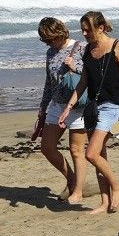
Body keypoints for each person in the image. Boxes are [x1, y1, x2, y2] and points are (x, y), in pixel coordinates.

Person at [58, 11, 119, 214]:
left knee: (90, 153)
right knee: (100, 154)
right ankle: (104, 202)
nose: (84, 33)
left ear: (100, 28)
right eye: (82, 29)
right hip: (93, 107)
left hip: (112, 106)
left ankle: (118, 187)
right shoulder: (87, 51)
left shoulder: (118, 46)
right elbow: (84, 82)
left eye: (88, 29)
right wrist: (68, 108)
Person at [33, 17, 87, 204]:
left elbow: (94, 75)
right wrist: (42, 109)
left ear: (60, 33)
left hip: (78, 105)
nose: (49, 43)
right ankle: (72, 180)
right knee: (47, 147)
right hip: (57, 105)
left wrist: (76, 66)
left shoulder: (80, 47)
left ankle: (78, 191)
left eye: (51, 39)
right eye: (45, 40)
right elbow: (49, 83)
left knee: (76, 150)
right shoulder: (50, 52)